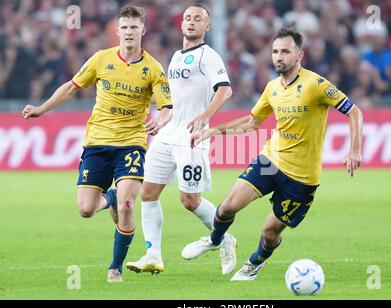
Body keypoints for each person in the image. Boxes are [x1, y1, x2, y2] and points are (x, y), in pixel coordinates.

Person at [183, 27, 363, 281]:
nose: (278, 56)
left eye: (285, 52)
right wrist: (213, 131)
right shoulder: (272, 88)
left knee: (270, 232)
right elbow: (251, 122)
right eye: (275, 51)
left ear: (299, 55)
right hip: (271, 161)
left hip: (301, 178)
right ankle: (215, 240)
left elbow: (354, 112)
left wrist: (354, 150)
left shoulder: (316, 85)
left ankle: (255, 262)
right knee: (227, 207)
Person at [22, 5, 173, 283]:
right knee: (85, 210)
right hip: (97, 143)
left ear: (143, 30)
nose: (128, 32)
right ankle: (110, 197)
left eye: (133, 27)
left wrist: (161, 120)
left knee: (128, 205)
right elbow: (71, 86)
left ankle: (115, 268)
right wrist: (43, 109)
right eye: (124, 27)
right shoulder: (101, 59)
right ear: (117, 31)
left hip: (131, 144)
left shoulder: (153, 68)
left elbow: (166, 107)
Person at [125, 4, 235, 275]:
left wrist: (203, 117)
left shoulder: (208, 56)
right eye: (187, 18)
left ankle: (224, 239)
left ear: (207, 26)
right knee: (148, 193)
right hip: (167, 135)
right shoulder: (175, 57)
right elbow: (172, 100)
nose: (191, 22)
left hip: (191, 138)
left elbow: (225, 90)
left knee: (190, 200)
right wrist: (162, 118)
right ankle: (153, 255)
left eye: (198, 19)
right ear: (181, 23)